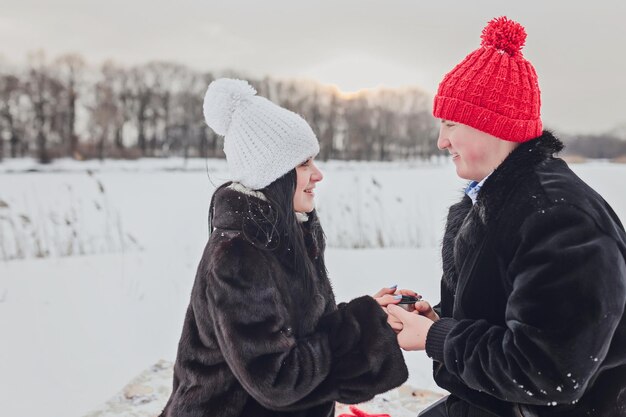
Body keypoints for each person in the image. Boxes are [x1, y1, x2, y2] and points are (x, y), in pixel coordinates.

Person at [386, 16, 626, 417]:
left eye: (450, 123)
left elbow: (551, 371)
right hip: (490, 404)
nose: (441, 141)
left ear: (490, 125)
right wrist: (438, 319)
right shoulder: (499, 200)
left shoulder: (561, 220)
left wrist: (438, 337)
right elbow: (513, 316)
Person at [159, 78, 408, 417]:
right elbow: (275, 377)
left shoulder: (288, 234)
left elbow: (303, 336)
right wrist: (361, 327)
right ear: (273, 175)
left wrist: (372, 316)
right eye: (304, 163)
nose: (317, 175)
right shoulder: (238, 255)